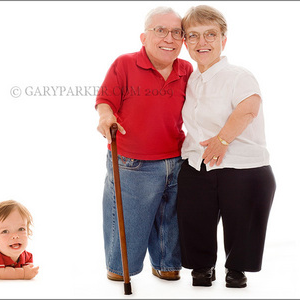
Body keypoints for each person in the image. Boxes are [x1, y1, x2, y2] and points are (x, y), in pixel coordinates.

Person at [177, 5, 276, 288]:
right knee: (195, 217)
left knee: (242, 220)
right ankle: (202, 267)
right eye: (193, 36)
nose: (202, 42)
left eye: (210, 34)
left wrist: (222, 141)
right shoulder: (191, 78)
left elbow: (248, 108)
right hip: (198, 163)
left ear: (224, 39)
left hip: (243, 164)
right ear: (185, 43)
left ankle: (237, 269)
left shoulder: (238, 75)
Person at [95, 7, 193, 281]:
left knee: (170, 223)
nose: (169, 38)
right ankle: (119, 268)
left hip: (176, 159)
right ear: (144, 37)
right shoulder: (124, 64)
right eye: (160, 30)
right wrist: (106, 118)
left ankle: (165, 263)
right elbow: (105, 102)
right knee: (130, 228)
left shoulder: (186, 69)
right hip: (132, 163)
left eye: (177, 32)